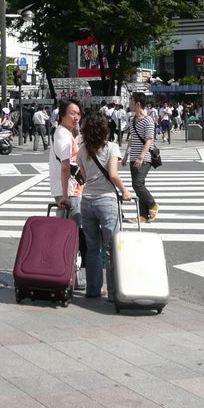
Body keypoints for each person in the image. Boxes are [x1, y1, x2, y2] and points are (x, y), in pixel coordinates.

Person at [76, 112, 131, 300]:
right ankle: (114, 292)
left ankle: (93, 289)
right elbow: (113, 175)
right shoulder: (112, 148)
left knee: (92, 248)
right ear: (104, 129)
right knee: (112, 247)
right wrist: (124, 191)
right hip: (107, 200)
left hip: (87, 201)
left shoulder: (82, 150)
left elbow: (83, 176)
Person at [49, 98, 84, 224]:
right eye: (72, 113)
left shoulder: (64, 132)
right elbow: (65, 166)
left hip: (70, 188)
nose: (76, 117)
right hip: (69, 190)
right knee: (73, 228)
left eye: (78, 114)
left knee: (66, 227)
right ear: (62, 115)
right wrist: (65, 195)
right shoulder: (63, 134)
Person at [127, 92, 158, 223]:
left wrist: (141, 157)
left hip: (144, 158)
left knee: (137, 184)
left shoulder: (148, 120)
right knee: (139, 185)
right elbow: (132, 139)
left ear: (137, 103)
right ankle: (143, 216)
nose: (129, 104)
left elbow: (149, 141)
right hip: (133, 157)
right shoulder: (132, 119)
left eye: (131, 101)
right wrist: (125, 155)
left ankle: (152, 205)